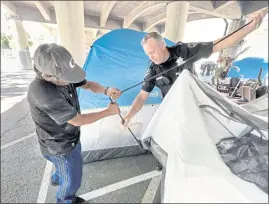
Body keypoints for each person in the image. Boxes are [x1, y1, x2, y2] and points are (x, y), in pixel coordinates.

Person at [122, 10, 267, 126]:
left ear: (162, 45)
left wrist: (250, 27)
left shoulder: (184, 51)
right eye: (148, 54)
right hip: (172, 111)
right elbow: (142, 96)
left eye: (152, 52)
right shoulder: (152, 70)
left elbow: (219, 44)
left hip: (195, 107)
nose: (151, 57)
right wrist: (128, 116)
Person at [27, 43, 122, 203]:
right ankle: (65, 200)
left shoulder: (63, 76)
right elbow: (78, 120)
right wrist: (108, 112)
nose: (72, 78)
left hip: (67, 138)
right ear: (48, 76)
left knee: (64, 170)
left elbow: (88, 84)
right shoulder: (44, 94)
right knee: (72, 179)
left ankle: (58, 177)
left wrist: (106, 90)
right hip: (59, 146)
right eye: (67, 76)